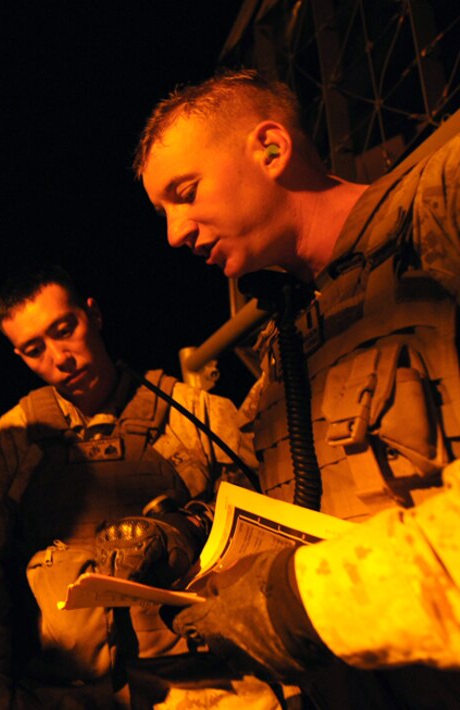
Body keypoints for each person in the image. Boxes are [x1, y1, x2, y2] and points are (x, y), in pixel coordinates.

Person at [136, 68, 460, 705]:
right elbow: (277, 506)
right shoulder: (288, 341)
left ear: (272, 150)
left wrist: (296, 602)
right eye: (163, 211)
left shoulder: (440, 211)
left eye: (186, 191)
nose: (174, 233)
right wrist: (181, 534)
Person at [0, 266, 281, 709]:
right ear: (19, 356)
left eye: (64, 329)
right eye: (35, 349)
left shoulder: (195, 416)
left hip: (203, 688)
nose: (60, 357)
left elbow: (267, 533)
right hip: (71, 693)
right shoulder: (9, 444)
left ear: (93, 315)